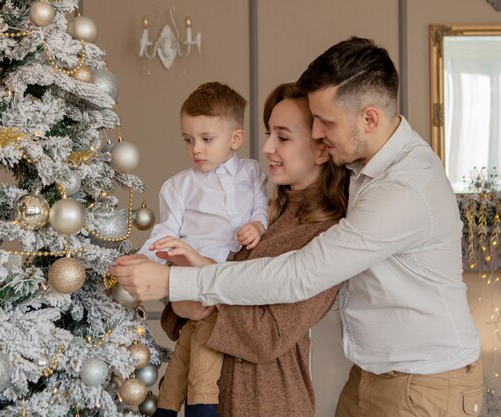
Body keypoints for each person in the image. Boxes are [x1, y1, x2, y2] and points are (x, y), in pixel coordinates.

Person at [111, 37, 484, 417]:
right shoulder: (287, 200)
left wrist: (174, 282)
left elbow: (296, 280)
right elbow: (213, 293)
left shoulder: (401, 189)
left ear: (368, 118)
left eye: (323, 123)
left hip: (422, 380)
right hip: (368, 374)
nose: (319, 132)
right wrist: (184, 285)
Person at [153, 82, 349, 417]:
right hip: (216, 393)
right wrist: (181, 301)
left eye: (282, 137)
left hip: (266, 402)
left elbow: (267, 335)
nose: (268, 147)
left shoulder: (325, 234)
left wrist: (192, 289)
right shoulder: (262, 211)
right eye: (268, 133)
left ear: (321, 150)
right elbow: (191, 304)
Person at [142, 81, 269, 417]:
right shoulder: (179, 186)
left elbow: (262, 210)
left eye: (206, 139)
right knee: (185, 353)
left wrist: (257, 226)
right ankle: (167, 409)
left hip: (226, 282)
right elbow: (166, 230)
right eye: (188, 139)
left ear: (235, 139)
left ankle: (195, 410)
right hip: (192, 278)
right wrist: (147, 261)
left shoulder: (252, 173)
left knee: (199, 359)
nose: (196, 148)